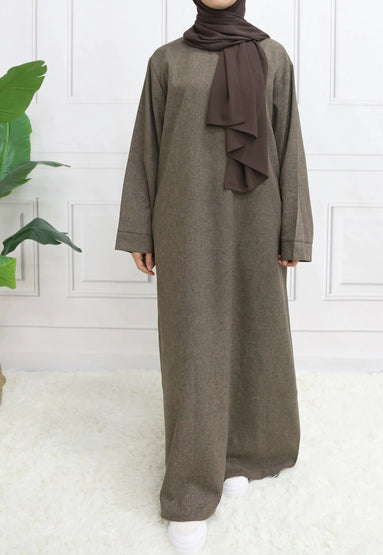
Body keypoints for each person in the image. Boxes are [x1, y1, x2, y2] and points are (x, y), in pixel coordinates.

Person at [115, 0, 314, 551]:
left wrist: (293, 231)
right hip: (185, 222)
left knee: (255, 337)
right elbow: (146, 148)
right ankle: (189, 490)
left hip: (257, 219)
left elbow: (289, 144)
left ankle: (240, 454)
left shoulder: (274, 57)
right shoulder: (167, 61)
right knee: (193, 347)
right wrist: (140, 229)